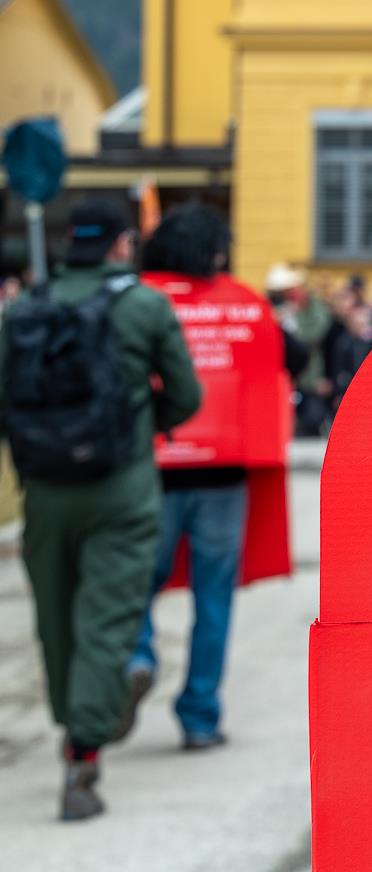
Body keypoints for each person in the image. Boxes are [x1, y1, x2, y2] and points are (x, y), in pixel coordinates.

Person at [0, 198, 201, 820]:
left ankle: (74, 718)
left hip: (45, 491)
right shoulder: (143, 306)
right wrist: (143, 426)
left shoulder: (24, 308)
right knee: (106, 621)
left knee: (56, 620)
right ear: (120, 245)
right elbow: (186, 395)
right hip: (121, 489)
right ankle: (83, 754)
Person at [128, 203, 289, 749]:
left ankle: (137, 657)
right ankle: (200, 717)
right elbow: (280, 369)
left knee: (134, 583)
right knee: (214, 599)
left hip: (151, 472)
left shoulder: (139, 299)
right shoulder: (245, 304)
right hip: (225, 477)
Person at [268, 262, 334, 436]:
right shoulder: (278, 308)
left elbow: (316, 333)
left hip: (310, 377)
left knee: (310, 422)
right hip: (285, 375)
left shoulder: (314, 307)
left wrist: (294, 323)